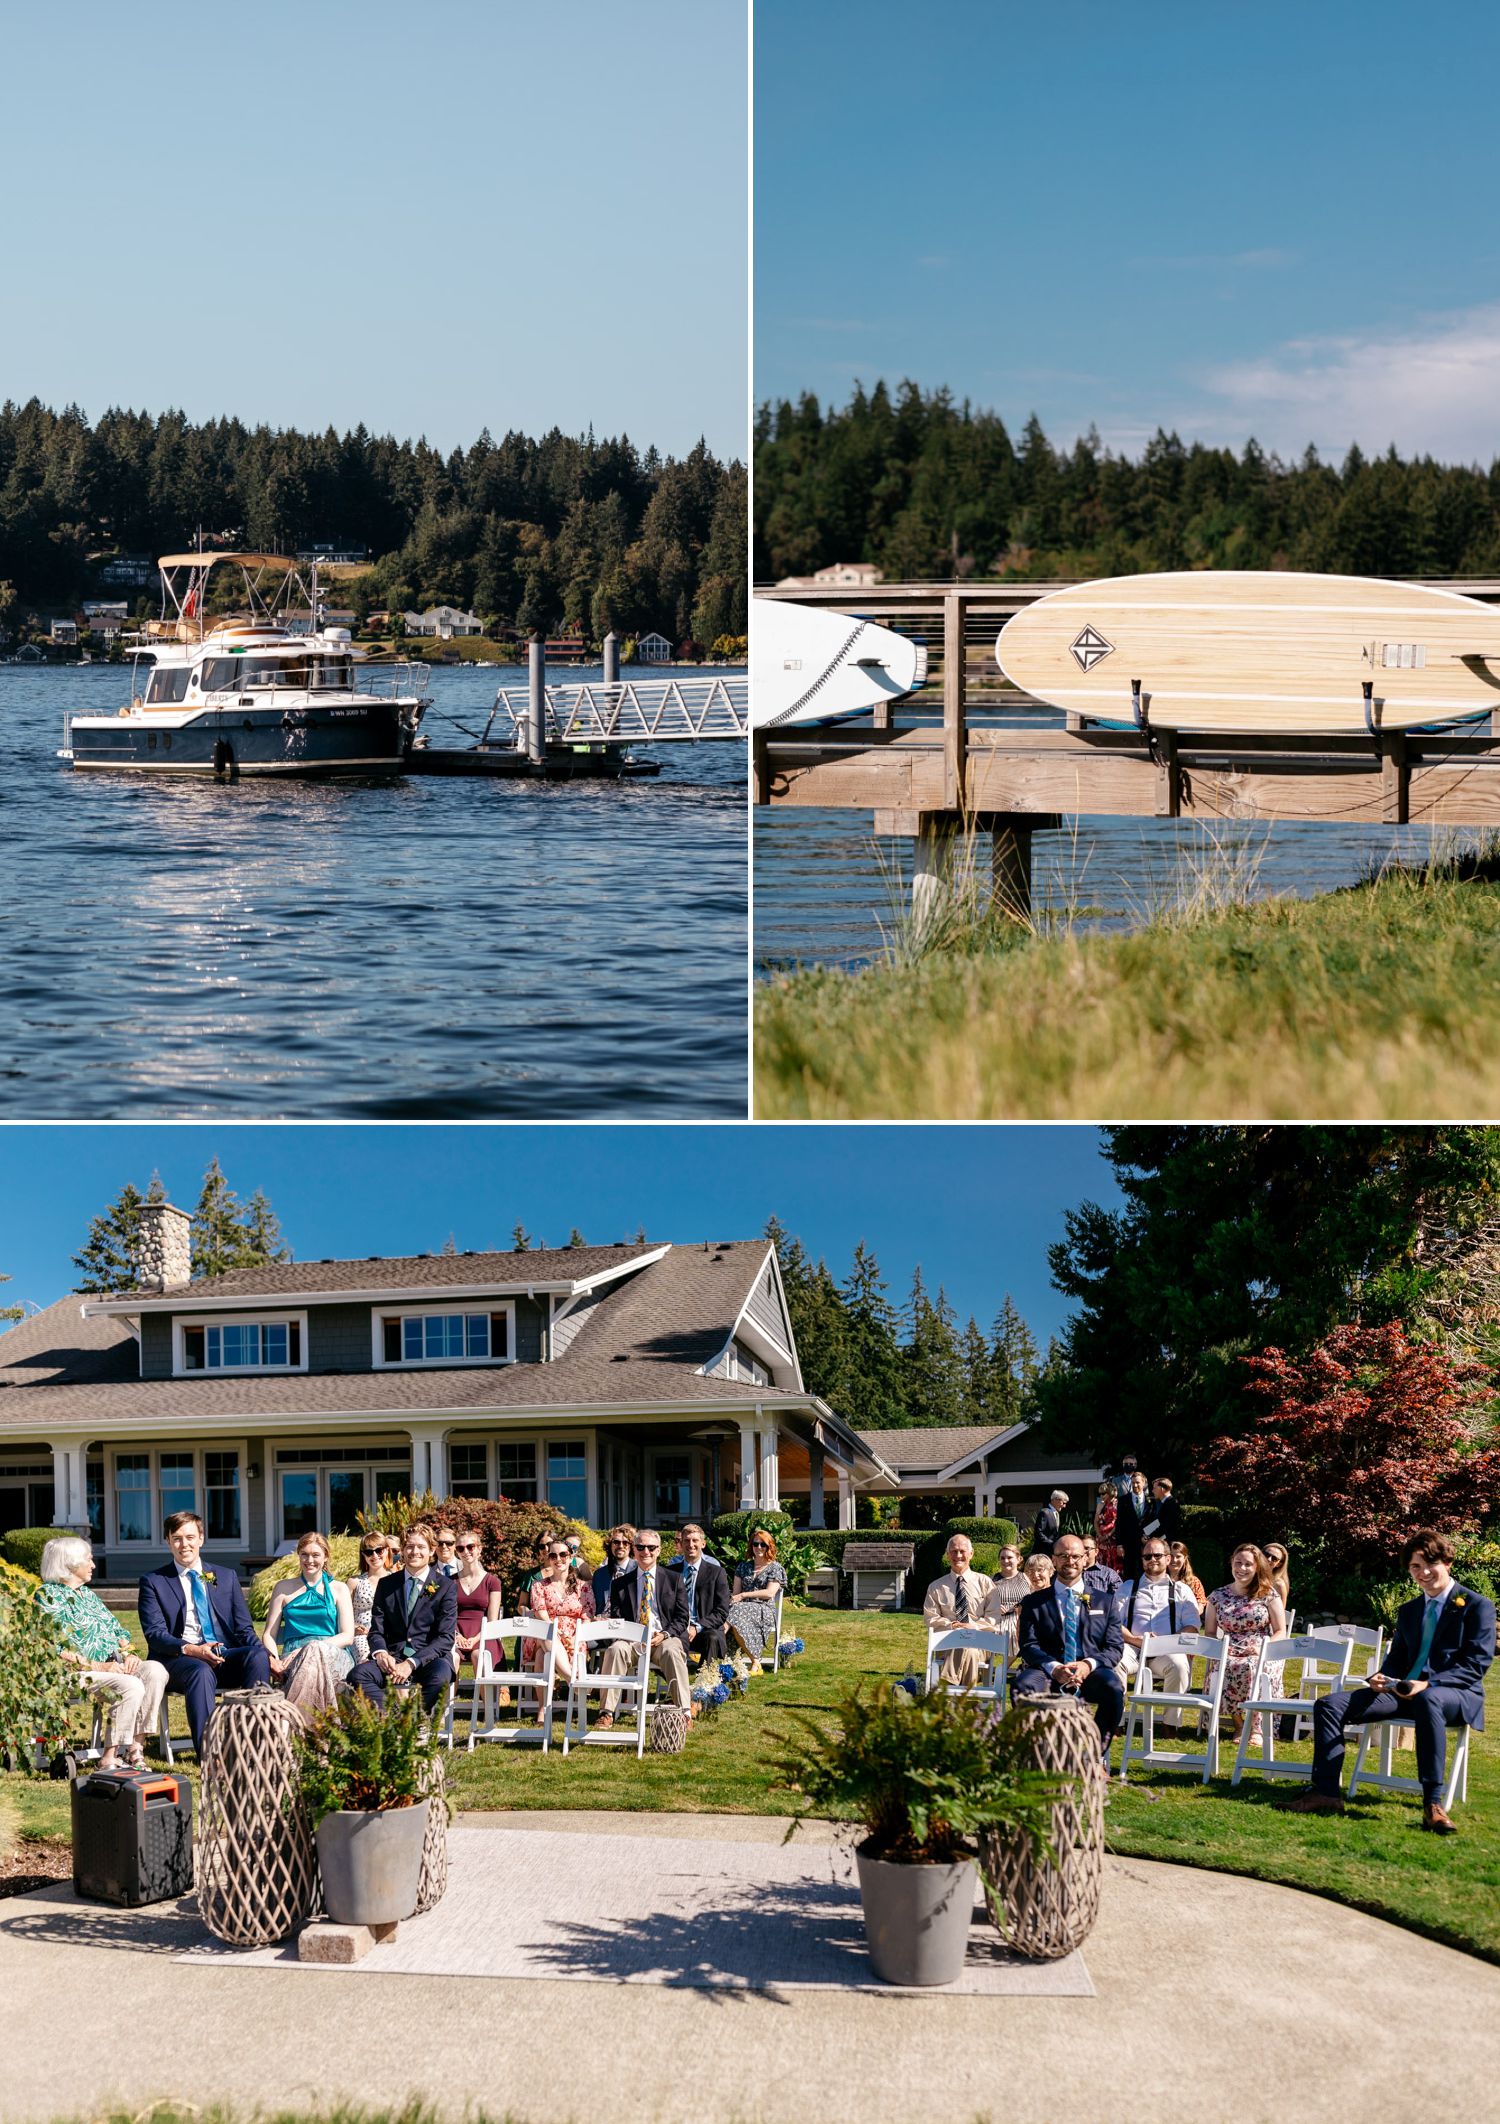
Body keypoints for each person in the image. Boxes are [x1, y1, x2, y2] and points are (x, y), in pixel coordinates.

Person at [1277, 1529, 1496, 1835]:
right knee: (1328, 1704)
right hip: (1402, 1690)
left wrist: (1428, 1685)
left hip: (1455, 1695)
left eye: (1429, 1564)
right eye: (1415, 1567)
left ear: (1448, 1561)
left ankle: (1432, 1804)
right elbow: (1399, 1659)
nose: (1423, 1573)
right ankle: (1325, 1792)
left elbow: (1476, 1664)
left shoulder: (1476, 1605)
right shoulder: (1409, 1611)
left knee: (1427, 1699)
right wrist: (1380, 1676)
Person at [139, 1510, 271, 1756]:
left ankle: (257, 1745)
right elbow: (155, 1634)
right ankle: (211, 1756)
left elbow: (244, 1629)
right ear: (167, 1541)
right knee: (200, 1670)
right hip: (180, 1660)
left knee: (257, 1656)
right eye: (176, 1538)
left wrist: (266, 1655)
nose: (184, 1544)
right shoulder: (153, 1581)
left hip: (223, 1655)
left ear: (201, 1538)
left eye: (190, 1537)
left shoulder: (226, 1576)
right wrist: (192, 1650)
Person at [39, 1535, 168, 1772]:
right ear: (70, 1564)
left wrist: (130, 1653)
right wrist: (101, 1666)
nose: (93, 1565)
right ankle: (109, 1757)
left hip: (113, 1667)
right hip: (73, 1673)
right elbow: (56, 1650)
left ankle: (135, 1748)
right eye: (88, 1559)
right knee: (131, 1685)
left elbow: (119, 1633)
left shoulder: (87, 1595)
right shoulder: (49, 1596)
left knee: (154, 1670)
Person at [1014, 1533, 1125, 1768]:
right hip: (1048, 1671)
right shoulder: (1034, 1602)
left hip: (1090, 1673)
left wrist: (1087, 1665)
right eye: (1063, 1556)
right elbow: (1028, 1645)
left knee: (1114, 1689)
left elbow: (1115, 1648)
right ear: (1053, 1561)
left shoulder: (1106, 1601)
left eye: (1075, 1556)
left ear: (1086, 1559)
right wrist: (1054, 1668)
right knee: (1022, 1686)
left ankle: (1095, 1757)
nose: (1070, 1561)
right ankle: (1040, 1755)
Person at [347, 1525, 458, 1714]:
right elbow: (376, 1630)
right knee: (357, 1675)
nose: (414, 1551)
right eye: (409, 1546)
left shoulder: (446, 1586)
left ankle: (415, 1720)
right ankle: (398, 1719)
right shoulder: (387, 1584)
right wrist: (381, 1653)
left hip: (429, 1658)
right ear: (402, 1550)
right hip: (392, 1657)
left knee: (441, 1677)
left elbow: (445, 1638)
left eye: (421, 1547)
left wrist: (411, 1663)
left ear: (432, 1550)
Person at [598, 1528, 691, 1724]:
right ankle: (606, 1712)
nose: (645, 1551)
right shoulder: (620, 1584)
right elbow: (617, 1617)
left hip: (663, 1639)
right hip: (632, 1639)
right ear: (634, 1549)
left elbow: (682, 1618)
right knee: (615, 1650)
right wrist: (632, 1634)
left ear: (658, 1550)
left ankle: (684, 1713)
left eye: (651, 1547)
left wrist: (665, 1634)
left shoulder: (674, 1579)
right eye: (640, 1547)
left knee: (672, 1652)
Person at [261, 1531, 356, 1716]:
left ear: (326, 1556)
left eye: (315, 1555)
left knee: (313, 1649)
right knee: (309, 1664)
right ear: (298, 1555)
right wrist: (274, 1659)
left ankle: (290, 1723)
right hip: (291, 1658)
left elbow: (347, 1636)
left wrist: (310, 1648)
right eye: (304, 1554)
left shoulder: (339, 1588)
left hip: (333, 1656)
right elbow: (268, 1634)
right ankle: (317, 1734)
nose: (309, 1560)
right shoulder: (283, 1587)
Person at [1201, 1543, 1287, 1744]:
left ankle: (1256, 1728)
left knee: (1252, 1667)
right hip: (1228, 1649)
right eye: (1238, 1563)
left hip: (1262, 1650)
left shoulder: (1268, 1594)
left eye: (1248, 1564)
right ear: (1231, 1563)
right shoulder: (1217, 1596)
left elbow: (1281, 1631)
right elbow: (1211, 1632)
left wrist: (1264, 1647)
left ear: (1257, 1567)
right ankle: (1239, 1725)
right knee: (1226, 1666)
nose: (1242, 1568)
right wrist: (1219, 1650)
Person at [1114, 1537, 1201, 1731]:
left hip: (1166, 1649)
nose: (1152, 1559)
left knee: (1179, 1665)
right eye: (1147, 1556)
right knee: (1114, 1661)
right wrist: (1133, 1639)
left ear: (1168, 1559)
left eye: (1157, 1555)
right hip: (1133, 1647)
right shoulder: (1128, 1587)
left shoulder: (1182, 1590)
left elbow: (1193, 1625)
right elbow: (1114, 1623)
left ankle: (1170, 1724)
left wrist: (1167, 1642)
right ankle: (1116, 1722)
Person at [526, 1535, 596, 1717]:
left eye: (563, 1554)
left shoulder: (584, 1586)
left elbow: (587, 1615)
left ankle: (542, 1710)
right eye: (553, 1556)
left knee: (543, 1655)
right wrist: (556, 1633)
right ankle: (574, 1678)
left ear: (571, 1557)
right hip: (546, 1630)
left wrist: (574, 1637)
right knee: (547, 1639)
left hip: (575, 1636)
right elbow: (541, 1613)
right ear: (548, 1559)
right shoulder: (538, 1585)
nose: (558, 1559)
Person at [924, 1533, 1003, 1687]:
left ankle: (947, 1686)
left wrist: (973, 1626)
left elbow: (994, 1617)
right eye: (953, 1551)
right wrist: (951, 1625)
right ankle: (968, 1703)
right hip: (947, 1645)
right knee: (965, 1645)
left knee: (968, 1641)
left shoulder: (985, 1583)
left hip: (981, 1644)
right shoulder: (935, 1587)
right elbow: (930, 1618)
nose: (958, 1555)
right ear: (947, 1555)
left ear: (971, 1554)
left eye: (962, 1551)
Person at [669, 1522, 731, 1666]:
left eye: (695, 1540)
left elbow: (721, 1611)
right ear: (681, 1544)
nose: (691, 1544)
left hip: (705, 1629)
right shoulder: (669, 1572)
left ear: (703, 1544)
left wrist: (696, 1627)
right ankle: (675, 1685)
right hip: (676, 1628)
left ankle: (705, 1683)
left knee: (713, 1638)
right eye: (686, 1540)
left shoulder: (716, 1573)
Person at [726, 1528, 788, 1666]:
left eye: (763, 1544)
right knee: (727, 1613)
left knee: (733, 1614)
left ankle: (712, 1652)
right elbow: (735, 1594)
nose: (758, 1547)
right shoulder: (743, 1567)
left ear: (769, 1547)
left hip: (763, 1609)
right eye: (755, 1544)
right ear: (751, 1546)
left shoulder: (775, 1568)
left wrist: (744, 1595)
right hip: (740, 1610)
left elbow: (769, 1593)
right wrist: (736, 1598)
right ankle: (755, 1662)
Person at [451, 1531, 505, 1675]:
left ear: (479, 1549)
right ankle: (449, 1698)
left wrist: (475, 1639)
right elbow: (447, 1615)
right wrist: (458, 1636)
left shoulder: (493, 1582)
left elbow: (493, 1620)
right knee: (451, 1658)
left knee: (478, 1655)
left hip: (484, 1634)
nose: (466, 1551)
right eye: (460, 1548)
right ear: (457, 1552)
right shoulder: (449, 1582)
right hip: (455, 1633)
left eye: (470, 1546)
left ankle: (485, 1698)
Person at [349, 1533, 395, 1663]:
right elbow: (341, 1614)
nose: (374, 1556)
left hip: (389, 1635)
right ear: (363, 1555)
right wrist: (353, 1627)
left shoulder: (397, 1580)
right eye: (369, 1552)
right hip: (361, 1636)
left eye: (379, 1550)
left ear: (387, 1550)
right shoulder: (354, 1582)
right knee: (367, 1660)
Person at [988, 1543, 1029, 1663]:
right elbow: (983, 1602)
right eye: (1002, 1558)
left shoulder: (1026, 1578)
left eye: (1010, 1557)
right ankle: (984, 1669)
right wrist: (994, 1606)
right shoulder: (992, 1580)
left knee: (1016, 1632)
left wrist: (1022, 1607)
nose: (1006, 1561)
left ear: (1018, 1559)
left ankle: (1003, 1669)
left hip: (1019, 1618)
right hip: (998, 1619)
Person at [592, 1524, 636, 1615]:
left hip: (630, 1624)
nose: (620, 1546)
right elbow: (595, 1605)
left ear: (631, 1546)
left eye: (625, 1543)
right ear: (610, 1544)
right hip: (603, 1623)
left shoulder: (639, 1570)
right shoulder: (599, 1574)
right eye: (616, 1542)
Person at [1117, 1470, 1153, 1575]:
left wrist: (1147, 1535)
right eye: (1133, 1483)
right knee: (1129, 1571)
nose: (1135, 1485)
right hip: (1128, 1542)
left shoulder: (1151, 1500)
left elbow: (1155, 1521)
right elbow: (1119, 1522)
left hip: (1145, 1542)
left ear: (1143, 1483)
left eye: (1137, 1482)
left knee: (1146, 1569)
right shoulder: (1124, 1500)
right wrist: (1119, 1544)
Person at [1167, 1540, 1207, 1609]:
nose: (1174, 1560)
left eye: (1178, 1556)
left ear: (1185, 1558)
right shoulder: (1157, 1579)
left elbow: (1200, 1605)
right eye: (1171, 1556)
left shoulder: (1194, 1581)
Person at [1093, 1483, 1122, 1573]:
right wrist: (1099, 1535)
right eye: (1100, 1494)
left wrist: (1108, 1535)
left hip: (1113, 1539)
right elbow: (1095, 1522)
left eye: (1103, 1493)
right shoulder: (1100, 1505)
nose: (1101, 1496)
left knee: (1114, 1566)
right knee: (1101, 1563)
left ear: (1110, 1493)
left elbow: (1118, 1523)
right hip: (1101, 1540)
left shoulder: (1118, 1504)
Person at [1147, 1477, 1183, 1548]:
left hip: (1167, 1545)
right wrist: (1146, 1533)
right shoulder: (1164, 1503)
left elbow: (1168, 1528)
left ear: (1162, 1489)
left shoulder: (1172, 1504)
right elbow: (1158, 1522)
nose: (1152, 1491)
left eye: (1154, 1488)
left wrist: (1154, 1540)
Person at [1031, 1491, 1067, 1558]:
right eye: (1063, 1503)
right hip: (1042, 1553)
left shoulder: (1056, 1514)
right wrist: (1052, 1544)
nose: (1064, 1506)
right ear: (1055, 1499)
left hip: (1052, 1552)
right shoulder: (1045, 1512)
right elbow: (1038, 1533)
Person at [1263, 1542, 1292, 1616]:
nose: (1269, 1559)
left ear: (1279, 1564)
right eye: (1266, 1554)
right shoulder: (1248, 1577)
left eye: (1274, 1558)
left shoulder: (1278, 1585)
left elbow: (1280, 1616)